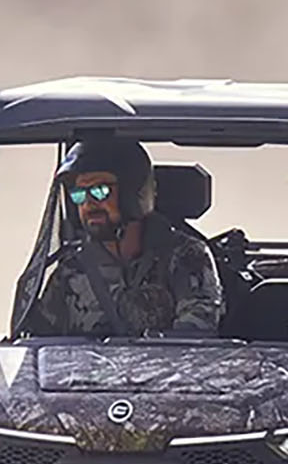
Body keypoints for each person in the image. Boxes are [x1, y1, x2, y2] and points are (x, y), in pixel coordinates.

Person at [27, 137, 224, 338]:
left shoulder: (186, 257)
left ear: (132, 193)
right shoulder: (70, 272)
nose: (88, 204)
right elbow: (38, 342)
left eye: (100, 191)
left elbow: (196, 340)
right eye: (79, 194)